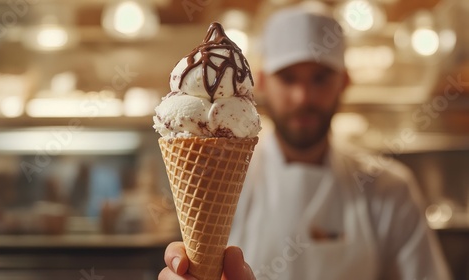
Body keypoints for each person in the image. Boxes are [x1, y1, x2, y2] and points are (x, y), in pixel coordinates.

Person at [159, 5, 451, 280]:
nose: (303, 97)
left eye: (320, 78)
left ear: (344, 82)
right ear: (262, 82)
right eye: (287, 78)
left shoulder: (389, 189)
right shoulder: (217, 177)